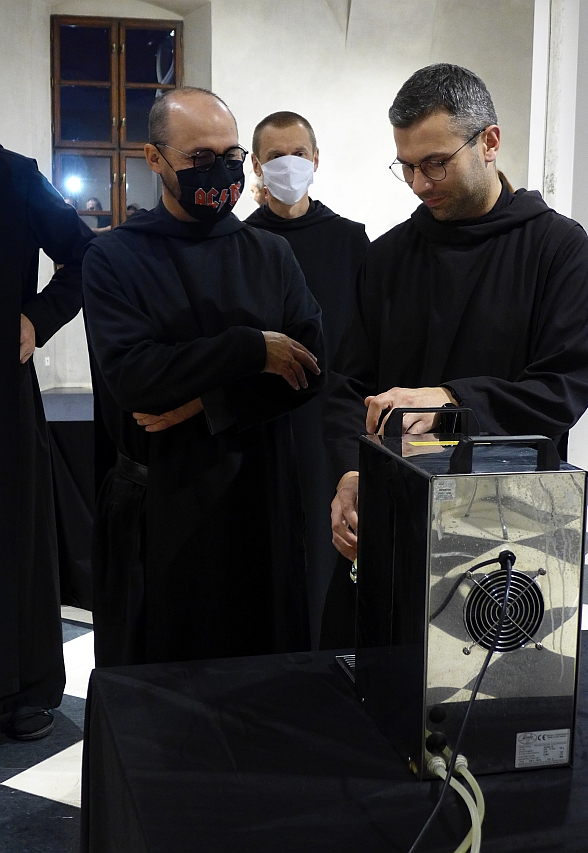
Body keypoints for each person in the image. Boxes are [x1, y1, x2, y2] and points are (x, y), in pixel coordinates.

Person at [322, 63, 588, 645]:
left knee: (487, 680)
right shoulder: (388, 257)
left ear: (489, 142)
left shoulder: (556, 248)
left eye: (435, 163)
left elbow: (563, 386)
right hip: (398, 510)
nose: (419, 184)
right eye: (406, 167)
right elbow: (348, 386)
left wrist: (450, 400)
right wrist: (351, 471)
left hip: (511, 523)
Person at [83, 87, 325, 668]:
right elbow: (136, 379)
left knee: (263, 681)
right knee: (163, 686)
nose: (220, 169)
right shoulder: (115, 257)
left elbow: (309, 369)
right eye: (200, 158)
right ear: (155, 158)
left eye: (231, 155)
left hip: (259, 499)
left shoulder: (269, 253)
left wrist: (207, 402)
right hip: (163, 506)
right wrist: (251, 348)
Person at [245, 111, 369, 646]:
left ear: (316, 159)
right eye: (275, 156)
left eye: (298, 154)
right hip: (260, 418)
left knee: (327, 544)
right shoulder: (241, 242)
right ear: (256, 165)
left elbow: (368, 338)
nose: (288, 165)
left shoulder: (351, 241)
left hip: (330, 419)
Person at [0, 145, 93, 740]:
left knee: (13, 535)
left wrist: (37, 317)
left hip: (3, 393)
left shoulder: (12, 175)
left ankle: (20, 688)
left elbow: (84, 254)